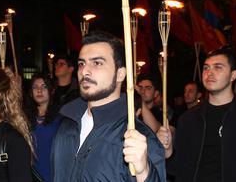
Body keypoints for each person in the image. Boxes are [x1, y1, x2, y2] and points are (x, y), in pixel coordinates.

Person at [51, 31, 165, 181]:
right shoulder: (66, 125)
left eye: (97, 63)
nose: (84, 70)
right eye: (81, 63)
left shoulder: (139, 138)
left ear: (120, 74)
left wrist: (145, 173)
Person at [157, 48, 236, 182]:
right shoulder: (188, 119)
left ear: (233, 75)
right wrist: (168, 151)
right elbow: (178, 169)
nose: (209, 73)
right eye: (206, 68)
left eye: (218, 67)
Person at [25, 73, 62, 182]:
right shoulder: (25, 117)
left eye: (44, 87)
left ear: (52, 90)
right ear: (31, 92)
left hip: (51, 173)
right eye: (35, 87)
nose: (39, 90)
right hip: (30, 173)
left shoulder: (61, 118)